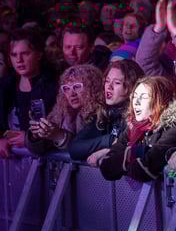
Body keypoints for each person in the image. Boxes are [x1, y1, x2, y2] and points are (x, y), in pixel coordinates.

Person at [100, 76, 176, 182]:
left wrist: (128, 157)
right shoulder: (133, 126)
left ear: (160, 101)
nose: (136, 102)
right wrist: (135, 153)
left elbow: (141, 170)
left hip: (175, 192)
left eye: (144, 97)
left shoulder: (175, 124)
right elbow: (106, 167)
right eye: (135, 97)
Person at [69, 60, 144, 165]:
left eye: (117, 83)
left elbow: (139, 150)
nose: (109, 87)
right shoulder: (103, 112)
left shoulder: (139, 116)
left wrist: (108, 150)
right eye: (107, 81)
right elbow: (75, 149)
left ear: (132, 87)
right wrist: (110, 140)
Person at [0, 29, 58, 157]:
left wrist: (29, 139)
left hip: (43, 162)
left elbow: (60, 128)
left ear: (39, 54)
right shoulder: (5, 86)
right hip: (9, 162)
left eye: (25, 53)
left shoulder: (53, 86)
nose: (19, 60)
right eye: (14, 55)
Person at [25, 64, 105, 155]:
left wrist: (59, 135)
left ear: (93, 88)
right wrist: (37, 136)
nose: (71, 94)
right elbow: (39, 150)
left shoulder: (103, 115)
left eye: (77, 87)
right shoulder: (61, 113)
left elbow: (84, 149)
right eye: (66, 88)